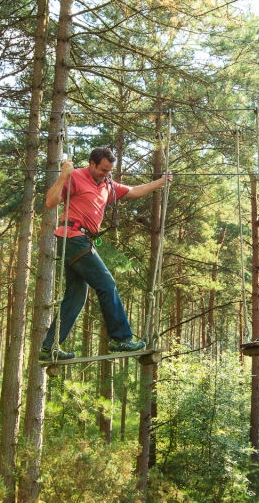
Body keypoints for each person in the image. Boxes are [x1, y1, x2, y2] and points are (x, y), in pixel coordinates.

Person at [39, 147, 172, 362]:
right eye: (102, 170)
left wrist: (161, 182)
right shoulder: (75, 176)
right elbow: (50, 201)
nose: (106, 174)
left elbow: (133, 191)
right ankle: (121, 339)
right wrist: (63, 174)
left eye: (109, 171)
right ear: (91, 163)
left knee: (76, 296)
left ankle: (49, 347)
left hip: (80, 241)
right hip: (73, 238)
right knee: (107, 284)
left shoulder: (107, 185)